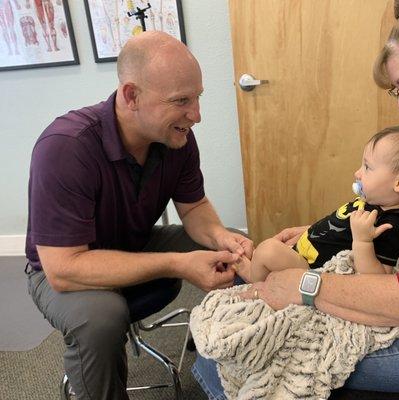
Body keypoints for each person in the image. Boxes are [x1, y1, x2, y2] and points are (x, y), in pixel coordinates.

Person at [192, 0, 399, 396]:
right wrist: (323, 232)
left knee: (234, 349)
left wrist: (304, 286)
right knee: (245, 316)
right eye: (398, 90)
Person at [25, 31, 252, 400]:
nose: (196, 116)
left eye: (197, 98)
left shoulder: (175, 137)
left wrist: (222, 238)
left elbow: (193, 208)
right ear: (132, 96)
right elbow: (64, 268)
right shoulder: (65, 148)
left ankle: (248, 372)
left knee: (239, 256)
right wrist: (177, 264)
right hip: (62, 272)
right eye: (181, 101)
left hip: (135, 243)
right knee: (101, 318)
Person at [233, 125, 399, 283]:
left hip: (315, 272)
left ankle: (256, 284)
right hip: (306, 250)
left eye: (367, 167)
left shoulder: (390, 224)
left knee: (267, 250)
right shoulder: (373, 201)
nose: (358, 173)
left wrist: (363, 241)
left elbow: (379, 277)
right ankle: (260, 271)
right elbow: (340, 227)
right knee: (273, 246)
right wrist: (308, 231)